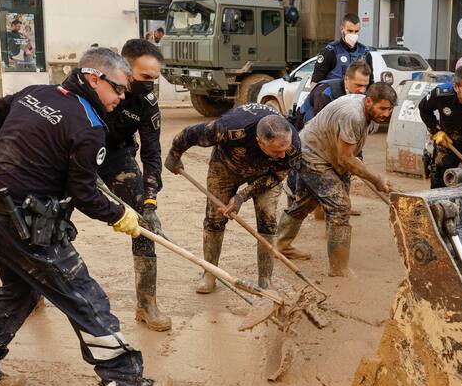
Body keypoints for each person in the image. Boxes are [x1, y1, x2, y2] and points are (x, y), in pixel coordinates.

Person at [0, 48, 169, 386]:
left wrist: (23, 153)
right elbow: (85, 195)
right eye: (117, 88)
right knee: (85, 297)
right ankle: (124, 378)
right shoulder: (89, 127)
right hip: (22, 222)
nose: (122, 96)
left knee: (19, 291)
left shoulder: (36, 93)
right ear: (93, 78)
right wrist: (121, 215)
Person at [164, 104, 300, 292]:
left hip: (266, 174)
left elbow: (277, 176)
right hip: (226, 166)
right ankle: (210, 273)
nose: (283, 154)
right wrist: (175, 154)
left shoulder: (292, 145)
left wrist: (241, 197)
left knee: (268, 221)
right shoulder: (229, 128)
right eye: (277, 151)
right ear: (259, 141)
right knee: (214, 219)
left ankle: (265, 279)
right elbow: (190, 134)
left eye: (285, 149)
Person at [274, 84, 396, 275]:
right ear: (369, 100)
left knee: (305, 202)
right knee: (340, 206)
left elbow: (348, 153)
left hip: (325, 153)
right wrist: (376, 180)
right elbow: (345, 159)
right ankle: (339, 270)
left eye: (390, 109)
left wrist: (356, 166)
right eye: (382, 108)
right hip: (311, 155)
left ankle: (280, 246)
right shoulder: (353, 115)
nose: (386, 114)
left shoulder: (365, 111)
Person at [97, 39, 170, 332]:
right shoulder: (96, 89)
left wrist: (150, 200)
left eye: (155, 79)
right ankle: (33, 290)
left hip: (117, 156)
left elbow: (152, 153)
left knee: (144, 222)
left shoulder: (147, 104)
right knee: (50, 221)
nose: (150, 85)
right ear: (125, 69)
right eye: (144, 78)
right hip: (77, 154)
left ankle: (146, 304)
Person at [292, 60, 372, 130]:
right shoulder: (325, 93)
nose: (363, 90)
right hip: (306, 130)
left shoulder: (362, 95)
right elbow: (320, 127)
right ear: (346, 79)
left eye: (365, 85)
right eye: (358, 85)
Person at [311, 13, 374, 84]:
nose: (353, 34)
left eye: (356, 31)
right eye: (350, 31)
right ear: (342, 29)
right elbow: (315, 82)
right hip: (334, 94)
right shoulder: (330, 51)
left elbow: (370, 82)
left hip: (358, 94)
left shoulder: (364, 52)